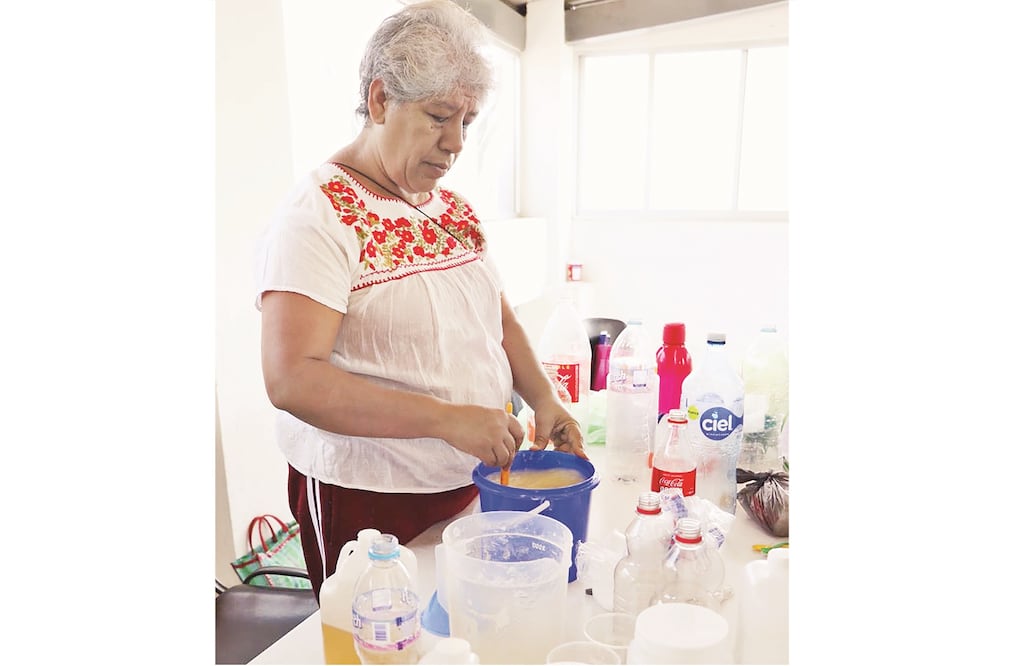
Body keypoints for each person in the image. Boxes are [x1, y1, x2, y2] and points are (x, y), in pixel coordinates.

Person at [253, 0, 586, 600]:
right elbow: (292, 381)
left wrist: (544, 399)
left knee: (455, 633)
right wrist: (448, 421)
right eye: (438, 116)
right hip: (369, 498)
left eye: (467, 120)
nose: (455, 142)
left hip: (468, 479)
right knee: (381, 640)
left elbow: (497, 317)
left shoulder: (451, 209)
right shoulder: (317, 218)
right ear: (380, 100)